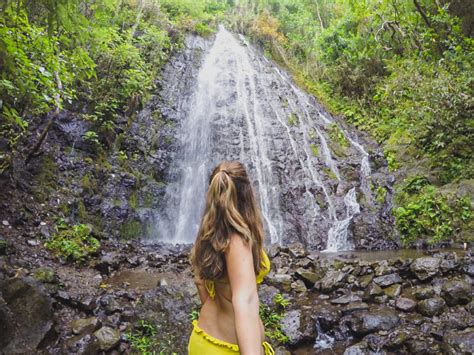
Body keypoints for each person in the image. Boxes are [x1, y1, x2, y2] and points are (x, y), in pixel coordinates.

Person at [188, 161, 275, 355]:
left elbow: (200, 282)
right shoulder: (238, 242)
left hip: (204, 338)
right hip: (228, 348)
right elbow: (245, 300)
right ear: (248, 193)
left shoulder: (208, 234)